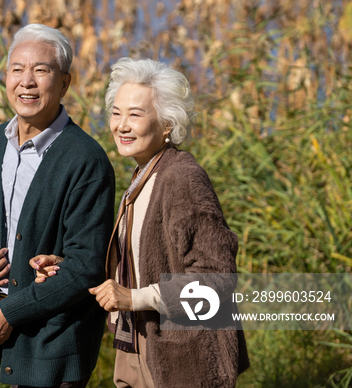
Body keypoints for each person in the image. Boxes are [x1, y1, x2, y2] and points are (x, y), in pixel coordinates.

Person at [32, 58, 249, 388]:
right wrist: (66, 267)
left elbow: (217, 281)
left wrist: (133, 300)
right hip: (138, 348)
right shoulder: (143, 175)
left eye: (135, 114)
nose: (121, 125)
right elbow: (138, 266)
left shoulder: (182, 180)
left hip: (184, 361)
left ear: (166, 124)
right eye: (116, 113)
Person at [0, 24, 115, 388]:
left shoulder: (86, 161)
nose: (26, 82)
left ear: (65, 83)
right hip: (14, 331)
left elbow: (85, 267)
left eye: (41, 70)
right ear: (5, 77)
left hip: (58, 338)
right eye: (17, 69)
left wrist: (8, 311)